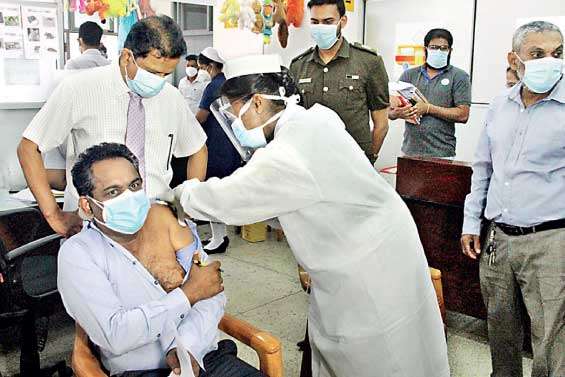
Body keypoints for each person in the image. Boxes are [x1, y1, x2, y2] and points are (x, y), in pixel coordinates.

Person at [174, 54, 449, 377]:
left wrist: (178, 195)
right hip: (383, 245)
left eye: (237, 115)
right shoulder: (315, 119)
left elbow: (229, 199)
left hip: (365, 270)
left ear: (259, 103)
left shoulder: (288, 153)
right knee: (405, 346)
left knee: (378, 357)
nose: (237, 125)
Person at [59, 142, 265, 377]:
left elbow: (212, 291)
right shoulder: (78, 254)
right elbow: (115, 335)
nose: (130, 197)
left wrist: (186, 346)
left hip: (203, 357)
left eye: (134, 185)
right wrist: (187, 295)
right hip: (141, 371)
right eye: (113, 192)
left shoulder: (167, 220)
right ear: (88, 204)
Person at [18, 15, 208, 238]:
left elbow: (198, 148)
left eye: (166, 74)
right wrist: (53, 214)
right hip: (93, 225)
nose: (159, 81)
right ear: (127, 56)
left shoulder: (171, 98)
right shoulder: (79, 88)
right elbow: (29, 146)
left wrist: (187, 205)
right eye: (153, 72)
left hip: (155, 224)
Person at [461, 21, 564, 377]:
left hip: (550, 240)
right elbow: (483, 167)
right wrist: (471, 222)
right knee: (500, 327)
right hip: (497, 239)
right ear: (514, 59)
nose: (549, 61)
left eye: (557, 53)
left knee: (550, 335)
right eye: (538, 54)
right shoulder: (499, 105)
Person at [289, 0, 390, 165]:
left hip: (354, 163)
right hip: (311, 161)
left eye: (328, 22)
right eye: (315, 22)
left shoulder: (368, 61)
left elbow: (381, 124)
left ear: (342, 21)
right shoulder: (298, 65)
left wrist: (369, 160)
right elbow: (293, 119)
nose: (320, 27)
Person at [388, 28, 471, 158]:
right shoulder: (409, 75)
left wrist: (428, 108)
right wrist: (397, 113)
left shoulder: (459, 76)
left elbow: (463, 115)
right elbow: (390, 112)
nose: (439, 51)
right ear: (425, 49)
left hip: (442, 154)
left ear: (450, 50)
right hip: (409, 152)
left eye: (443, 48)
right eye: (434, 47)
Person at [193, 47, 241, 254]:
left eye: (201, 66)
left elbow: (201, 117)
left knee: (212, 192)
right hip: (231, 145)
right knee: (221, 191)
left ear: (210, 66)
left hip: (216, 146)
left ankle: (218, 239)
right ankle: (219, 236)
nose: (199, 70)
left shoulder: (213, 86)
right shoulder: (228, 84)